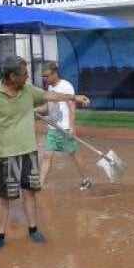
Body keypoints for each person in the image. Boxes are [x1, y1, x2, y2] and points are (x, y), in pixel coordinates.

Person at [0, 56, 89, 249]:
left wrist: (73, 97)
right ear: (11, 76)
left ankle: (33, 229)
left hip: (29, 150)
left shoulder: (28, 90)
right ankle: (0, 235)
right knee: (5, 196)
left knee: (30, 192)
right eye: (24, 74)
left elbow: (49, 96)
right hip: (6, 152)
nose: (27, 77)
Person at [35, 61, 93, 190]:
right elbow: (49, 106)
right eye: (43, 77)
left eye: (47, 76)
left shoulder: (66, 86)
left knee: (74, 155)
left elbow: (72, 106)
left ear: (55, 73)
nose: (45, 79)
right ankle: (40, 183)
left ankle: (86, 179)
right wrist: (37, 109)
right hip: (53, 128)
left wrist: (72, 127)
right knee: (47, 156)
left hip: (65, 129)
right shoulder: (50, 88)